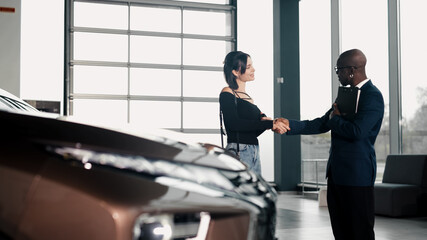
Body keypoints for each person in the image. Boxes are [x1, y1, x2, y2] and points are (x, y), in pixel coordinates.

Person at [280, 49, 384, 240]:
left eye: (339, 69)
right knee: (341, 230)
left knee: (359, 231)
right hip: (336, 175)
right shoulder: (345, 95)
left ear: (352, 69)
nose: (337, 73)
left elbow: (358, 132)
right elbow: (322, 122)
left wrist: (335, 119)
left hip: (357, 175)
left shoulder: (373, 96)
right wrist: (289, 125)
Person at [219, 51, 289, 175]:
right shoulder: (227, 93)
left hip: (252, 150)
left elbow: (252, 132)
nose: (253, 69)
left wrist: (268, 123)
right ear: (235, 72)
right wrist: (268, 124)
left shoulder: (248, 98)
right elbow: (234, 124)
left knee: (252, 192)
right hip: (239, 150)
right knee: (242, 192)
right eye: (248, 67)